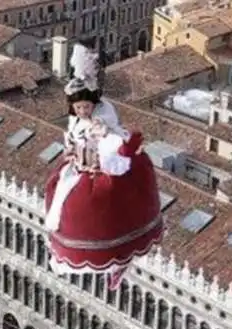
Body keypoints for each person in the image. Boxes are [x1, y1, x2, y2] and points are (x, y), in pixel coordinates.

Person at [45, 42, 163, 289]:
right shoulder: (76, 119)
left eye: (86, 107)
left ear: (93, 103)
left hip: (103, 169)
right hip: (80, 167)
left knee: (101, 211)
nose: (83, 111)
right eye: (79, 108)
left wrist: (109, 141)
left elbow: (113, 142)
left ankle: (118, 263)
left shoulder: (104, 116)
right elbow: (72, 136)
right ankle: (102, 261)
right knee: (59, 199)